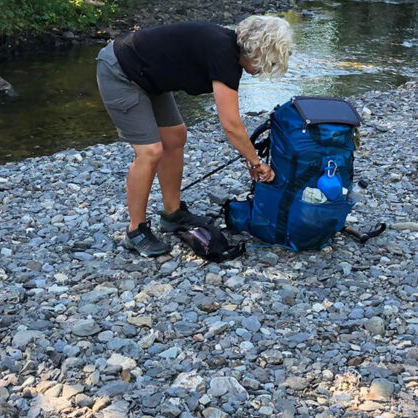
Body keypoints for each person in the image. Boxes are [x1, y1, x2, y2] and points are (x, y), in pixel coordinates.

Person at [96, 16, 293, 257]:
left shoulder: (227, 51)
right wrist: (255, 162)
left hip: (149, 76)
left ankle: (173, 214)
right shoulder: (223, 54)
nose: (267, 68)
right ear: (260, 49)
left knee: (175, 136)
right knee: (150, 151)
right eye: (270, 61)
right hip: (120, 70)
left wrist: (251, 157)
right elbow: (231, 124)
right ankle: (135, 231)